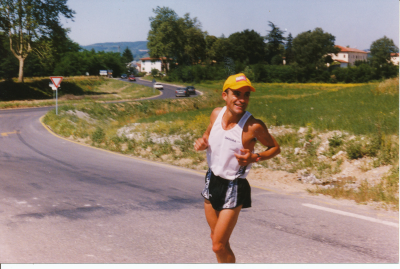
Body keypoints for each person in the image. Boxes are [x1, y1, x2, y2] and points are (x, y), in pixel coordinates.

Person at [194, 73, 281, 263]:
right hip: (212, 180)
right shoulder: (216, 114)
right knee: (217, 240)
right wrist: (203, 142)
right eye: (237, 94)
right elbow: (207, 135)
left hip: (234, 186)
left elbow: (275, 148)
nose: (242, 99)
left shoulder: (253, 126)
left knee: (218, 245)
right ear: (225, 95)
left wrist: (255, 157)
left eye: (246, 95)